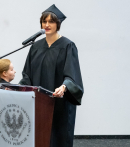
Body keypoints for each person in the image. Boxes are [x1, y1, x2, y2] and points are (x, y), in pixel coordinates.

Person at [19, 4, 84, 147]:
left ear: (58, 24)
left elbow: (72, 75)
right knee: (40, 138)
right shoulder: (35, 46)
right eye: (44, 21)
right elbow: (27, 74)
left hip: (60, 102)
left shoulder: (68, 46)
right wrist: (18, 89)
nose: (47, 24)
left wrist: (64, 86)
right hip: (39, 102)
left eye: (51, 21)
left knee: (58, 139)